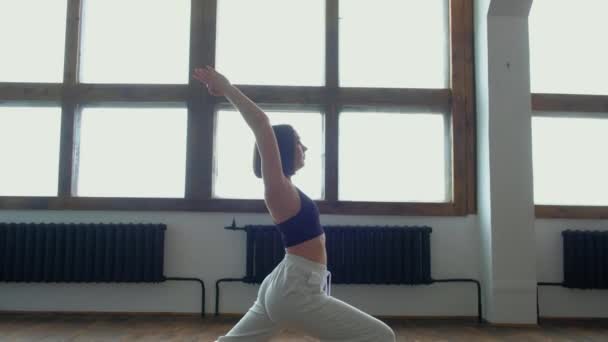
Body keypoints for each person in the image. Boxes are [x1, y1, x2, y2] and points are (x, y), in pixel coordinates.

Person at [193, 66, 395, 342]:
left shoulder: (289, 189)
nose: (305, 148)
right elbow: (262, 125)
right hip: (295, 289)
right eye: (299, 143)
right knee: (380, 336)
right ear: (285, 148)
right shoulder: (277, 189)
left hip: (287, 283)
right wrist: (226, 87)